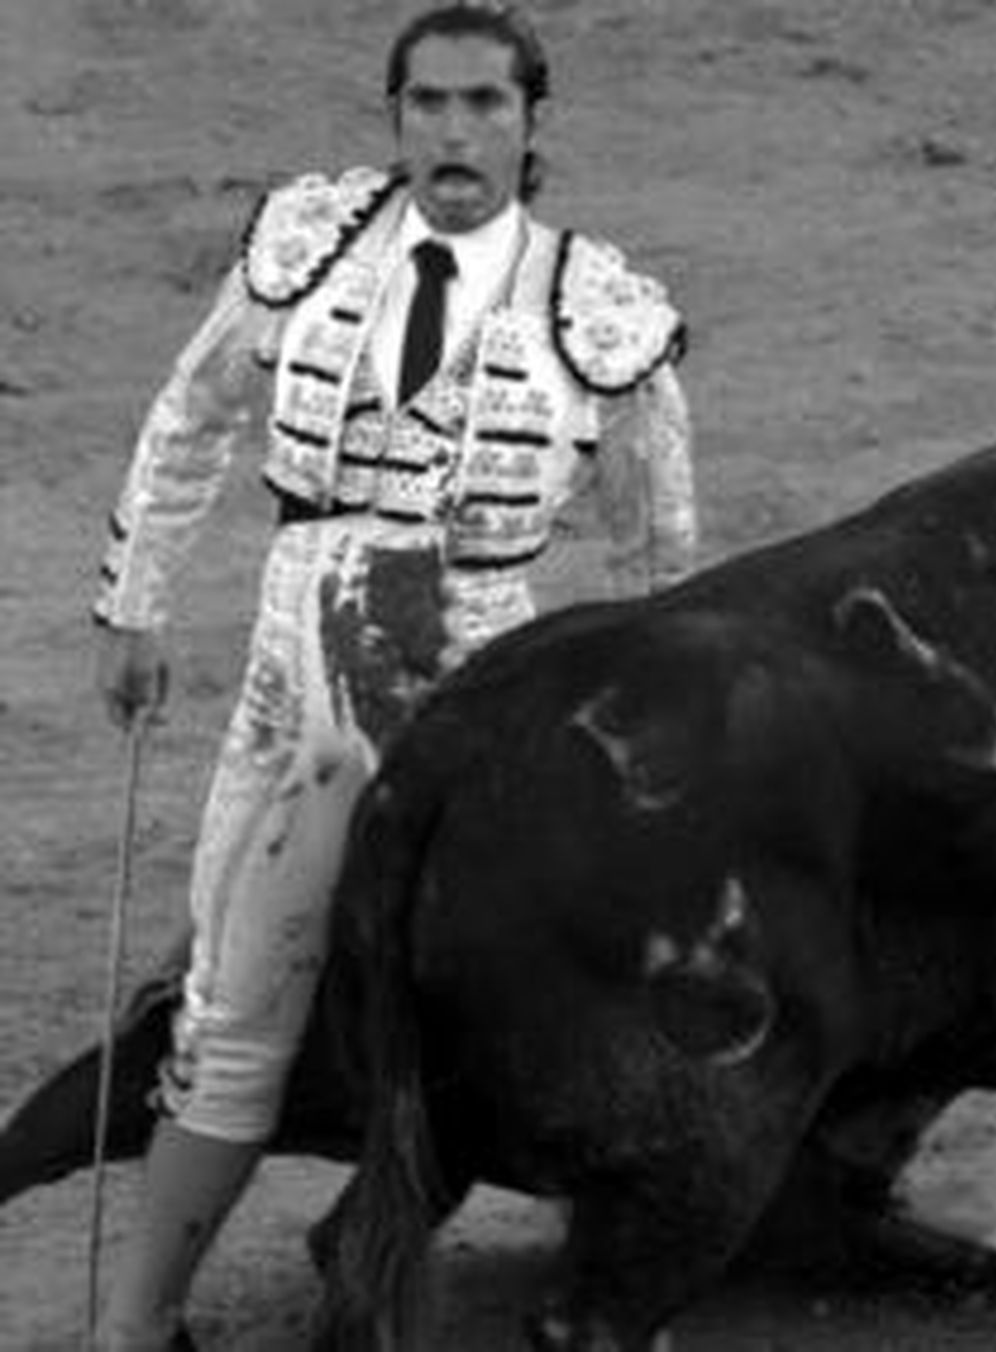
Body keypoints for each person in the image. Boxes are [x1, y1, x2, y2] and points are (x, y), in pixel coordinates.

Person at [90, 3, 697, 1347]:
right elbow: (189, 413)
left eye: (486, 104)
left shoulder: (604, 314)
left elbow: (666, 571)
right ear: (396, 118)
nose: (455, 131)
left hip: (488, 686)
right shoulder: (303, 247)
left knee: (524, 1002)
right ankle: (133, 1330)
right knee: (238, 1006)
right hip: (295, 674)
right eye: (427, 103)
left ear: (533, 124)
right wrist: (133, 606)